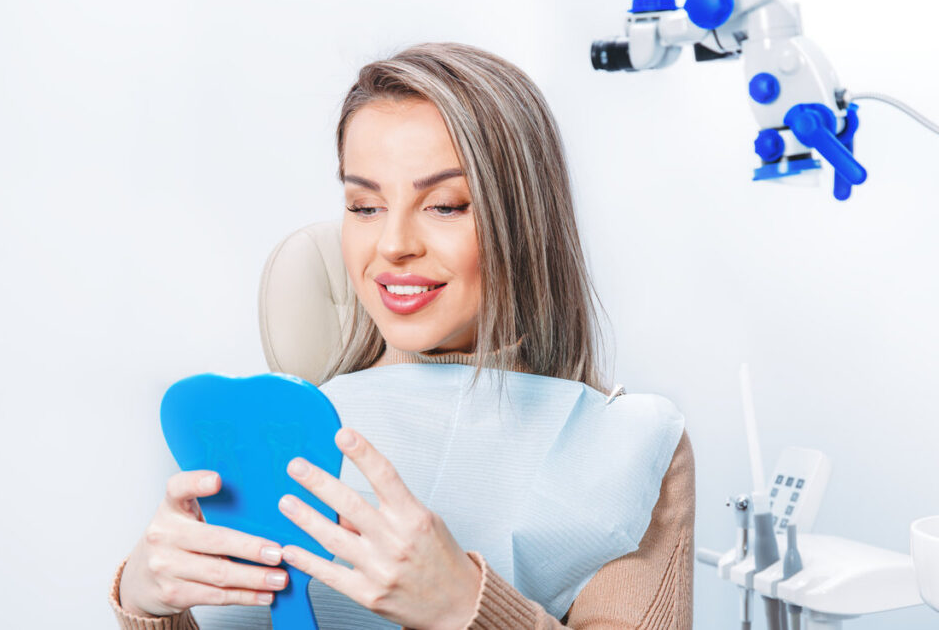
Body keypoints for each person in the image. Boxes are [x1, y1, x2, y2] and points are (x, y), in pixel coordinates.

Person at [110, 42, 695, 629]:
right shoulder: (275, 432)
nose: (392, 245)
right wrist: (145, 607)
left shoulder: (625, 447)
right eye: (365, 206)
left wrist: (464, 606)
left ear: (525, 219)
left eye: (444, 205)